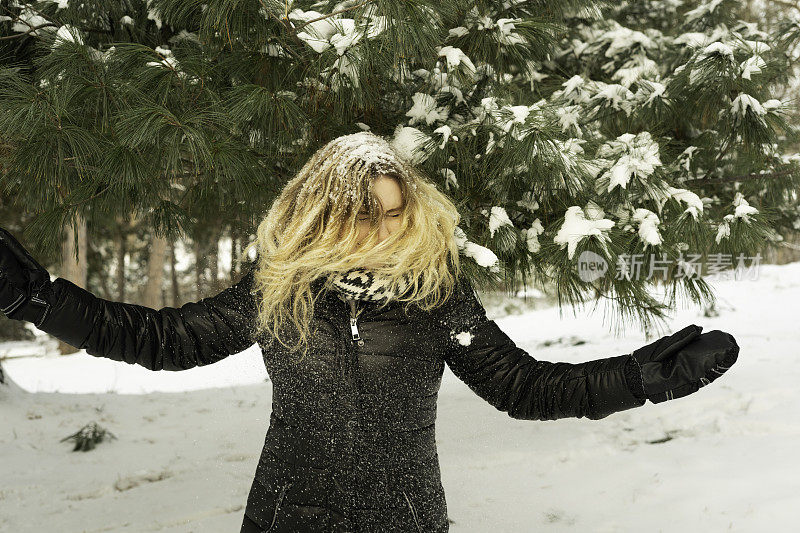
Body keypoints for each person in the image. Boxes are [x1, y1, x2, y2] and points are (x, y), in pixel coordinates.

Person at [0, 131, 739, 532]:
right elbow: (159, 339)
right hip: (289, 516)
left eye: (392, 211)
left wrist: (642, 377)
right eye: (363, 213)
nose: (382, 229)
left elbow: (525, 385)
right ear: (322, 214)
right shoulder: (277, 292)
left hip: (407, 516)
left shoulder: (435, 295)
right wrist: (39, 298)